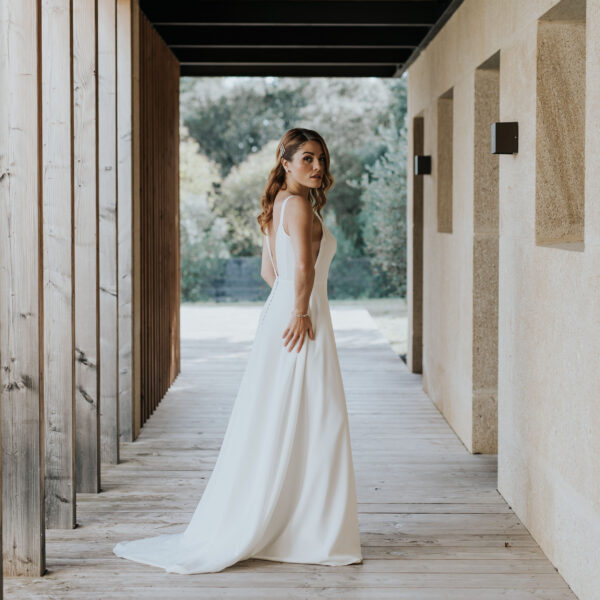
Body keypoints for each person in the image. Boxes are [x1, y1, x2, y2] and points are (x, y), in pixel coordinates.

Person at [113, 127, 363, 574]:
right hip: (300, 320)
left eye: (321, 159)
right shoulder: (300, 207)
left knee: (282, 418)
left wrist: (290, 302)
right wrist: (303, 310)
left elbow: (272, 273)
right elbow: (303, 267)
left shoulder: (276, 208)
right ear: (284, 162)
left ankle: (293, 523)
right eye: (307, 158)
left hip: (281, 316)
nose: (318, 167)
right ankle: (310, 530)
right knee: (320, 418)